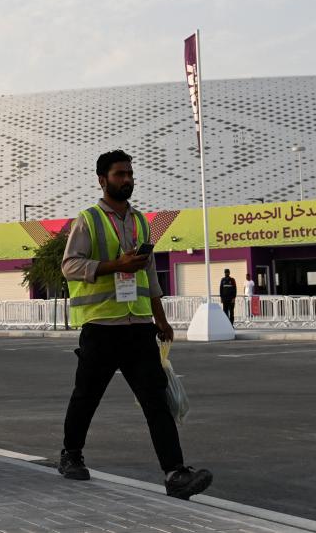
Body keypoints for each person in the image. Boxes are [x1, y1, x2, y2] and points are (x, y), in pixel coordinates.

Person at [58, 150, 212, 501]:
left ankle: (175, 473)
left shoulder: (142, 222)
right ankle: (71, 456)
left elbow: (148, 274)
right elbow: (70, 266)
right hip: (101, 325)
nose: (127, 179)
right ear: (102, 179)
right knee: (86, 397)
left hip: (139, 326)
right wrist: (115, 265)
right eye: (119, 174)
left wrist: (161, 318)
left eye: (129, 173)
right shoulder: (88, 220)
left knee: (156, 401)